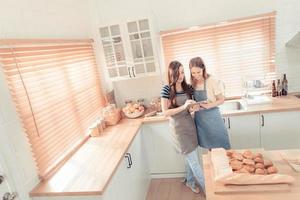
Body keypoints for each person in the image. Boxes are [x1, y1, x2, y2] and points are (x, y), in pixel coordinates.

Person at [160, 60, 205, 194]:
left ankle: (190, 181)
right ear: (171, 74)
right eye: (178, 73)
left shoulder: (188, 88)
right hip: (178, 129)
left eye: (183, 72)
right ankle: (209, 191)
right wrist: (184, 106)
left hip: (190, 126)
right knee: (194, 161)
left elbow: (192, 106)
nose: (181, 75)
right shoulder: (166, 89)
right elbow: (165, 112)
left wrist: (195, 107)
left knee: (190, 157)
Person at [189, 57, 231, 150]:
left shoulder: (212, 80)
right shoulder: (192, 83)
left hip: (213, 118)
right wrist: (193, 106)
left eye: (198, 72)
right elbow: (192, 101)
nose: (196, 75)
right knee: (210, 150)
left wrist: (208, 106)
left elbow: (221, 99)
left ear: (203, 69)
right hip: (200, 120)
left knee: (221, 148)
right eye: (193, 73)